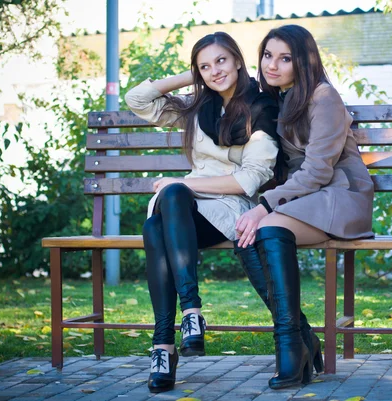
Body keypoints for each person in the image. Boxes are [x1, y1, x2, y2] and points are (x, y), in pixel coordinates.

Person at [124, 32, 280, 393]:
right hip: (185, 210)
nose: (215, 71)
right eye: (205, 66)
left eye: (221, 61)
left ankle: (164, 342)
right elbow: (137, 99)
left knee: (157, 222)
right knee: (159, 220)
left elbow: (249, 180)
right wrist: (191, 77)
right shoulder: (198, 106)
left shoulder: (261, 108)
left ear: (238, 60)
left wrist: (184, 185)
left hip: (227, 207)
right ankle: (187, 319)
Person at [235, 25, 374, 389]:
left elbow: (317, 171)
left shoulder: (322, 96)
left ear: (304, 61)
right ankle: (301, 340)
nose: (273, 65)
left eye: (285, 58)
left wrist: (265, 204)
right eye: (268, 55)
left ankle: (289, 348)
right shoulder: (278, 99)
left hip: (340, 195)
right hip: (306, 200)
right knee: (247, 234)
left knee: (263, 226)